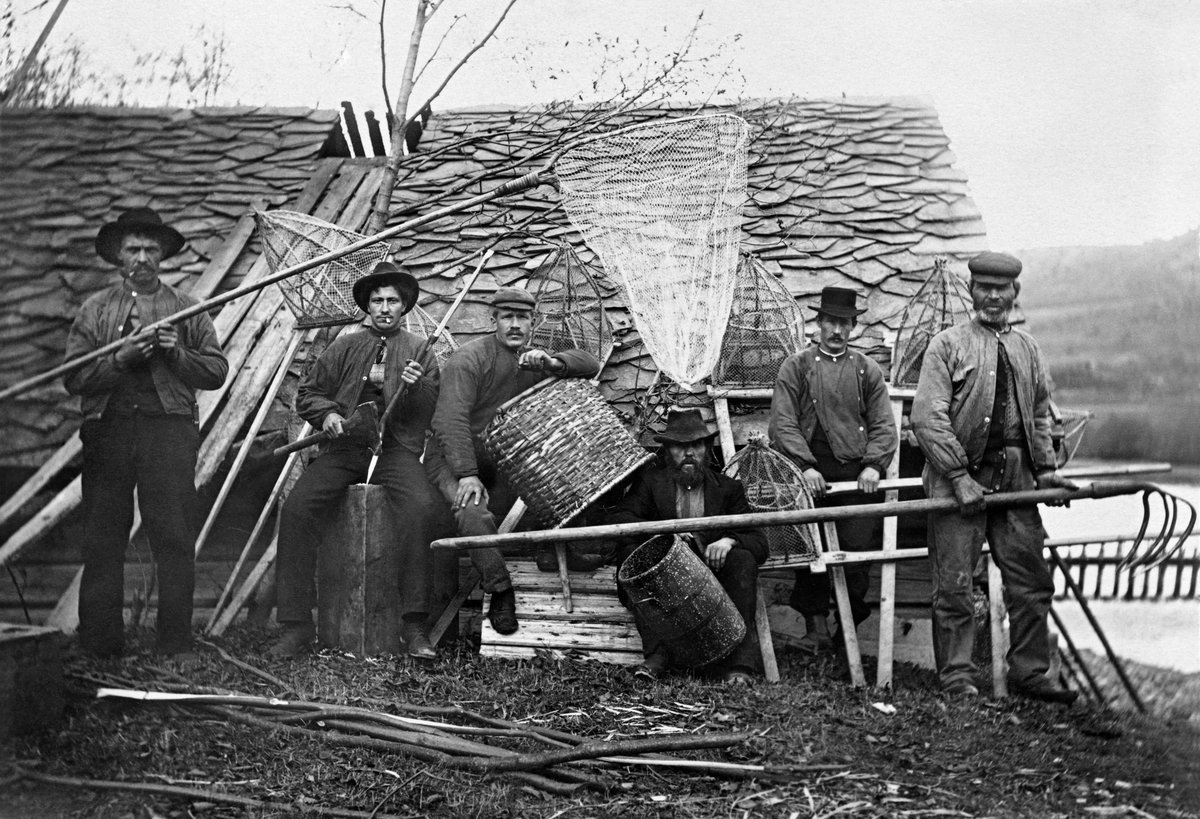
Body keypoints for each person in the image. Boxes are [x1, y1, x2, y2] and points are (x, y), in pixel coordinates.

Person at [911, 251, 1078, 704]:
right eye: (984, 287)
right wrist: (958, 476)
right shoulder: (947, 345)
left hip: (1017, 479)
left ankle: (1029, 672)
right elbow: (927, 418)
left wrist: (1046, 472)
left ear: (1014, 293)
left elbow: (1040, 415)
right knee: (955, 584)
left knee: (1031, 579)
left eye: (1001, 289)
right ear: (972, 291)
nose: (993, 296)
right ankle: (958, 678)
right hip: (957, 480)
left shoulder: (1028, 348)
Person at [64, 207, 229, 660]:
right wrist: (121, 358)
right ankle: (100, 643)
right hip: (108, 433)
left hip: (168, 433)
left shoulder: (186, 309)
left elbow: (216, 372)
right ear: (118, 255)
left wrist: (177, 355)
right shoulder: (94, 310)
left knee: (173, 536)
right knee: (103, 537)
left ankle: (175, 642)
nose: (142, 257)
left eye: (151, 249)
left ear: (163, 256)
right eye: (133, 248)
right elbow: (73, 378)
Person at [269, 262, 443, 660]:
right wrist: (329, 415)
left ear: (404, 307)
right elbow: (309, 392)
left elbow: (431, 409)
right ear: (367, 305)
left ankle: (414, 624)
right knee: (297, 510)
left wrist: (418, 388)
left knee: (421, 507)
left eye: (393, 301)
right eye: (377, 300)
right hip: (346, 448)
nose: (385, 308)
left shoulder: (420, 350)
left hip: (395, 450)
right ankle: (296, 625)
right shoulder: (345, 346)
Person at [427, 287, 600, 635]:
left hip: (502, 457)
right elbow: (450, 420)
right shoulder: (469, 358)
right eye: (507, 317)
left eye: (522, 318)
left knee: (557, 472)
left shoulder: (533, 359)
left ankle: (554, 546)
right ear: (494, 321)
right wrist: (466, 474)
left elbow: (591, 364)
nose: (515, 325)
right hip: (454, 456)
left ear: (533, 322)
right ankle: (500, 588)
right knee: (472, 508)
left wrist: (554, 363)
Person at [768, 286, 897, 655]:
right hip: (810, 474)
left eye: (844, 322)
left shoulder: (865, 369)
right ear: (819, 323)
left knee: (856, 556)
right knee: (811, 551)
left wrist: (874, 465)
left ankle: (847, 632)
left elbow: (884, 425)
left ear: (853, 326)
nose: (837, 330)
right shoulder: (797, 366)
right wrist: (805, 466)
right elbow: (782, 423)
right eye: (830, 322)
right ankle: (816, 631)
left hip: (857, 475)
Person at [610, 409, 768, 684]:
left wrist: (729, 541)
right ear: (668, 451)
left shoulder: (728, 488)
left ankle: (739, 665)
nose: (688, 454)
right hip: (665, 577)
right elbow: (623, 521)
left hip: (712, 575)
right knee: (629, 556)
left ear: (707, 449)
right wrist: (666, 536)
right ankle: (657, 656)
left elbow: (759, 542)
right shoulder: (651, 483)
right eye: (680, 448)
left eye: (695, 445)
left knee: (743, 561)